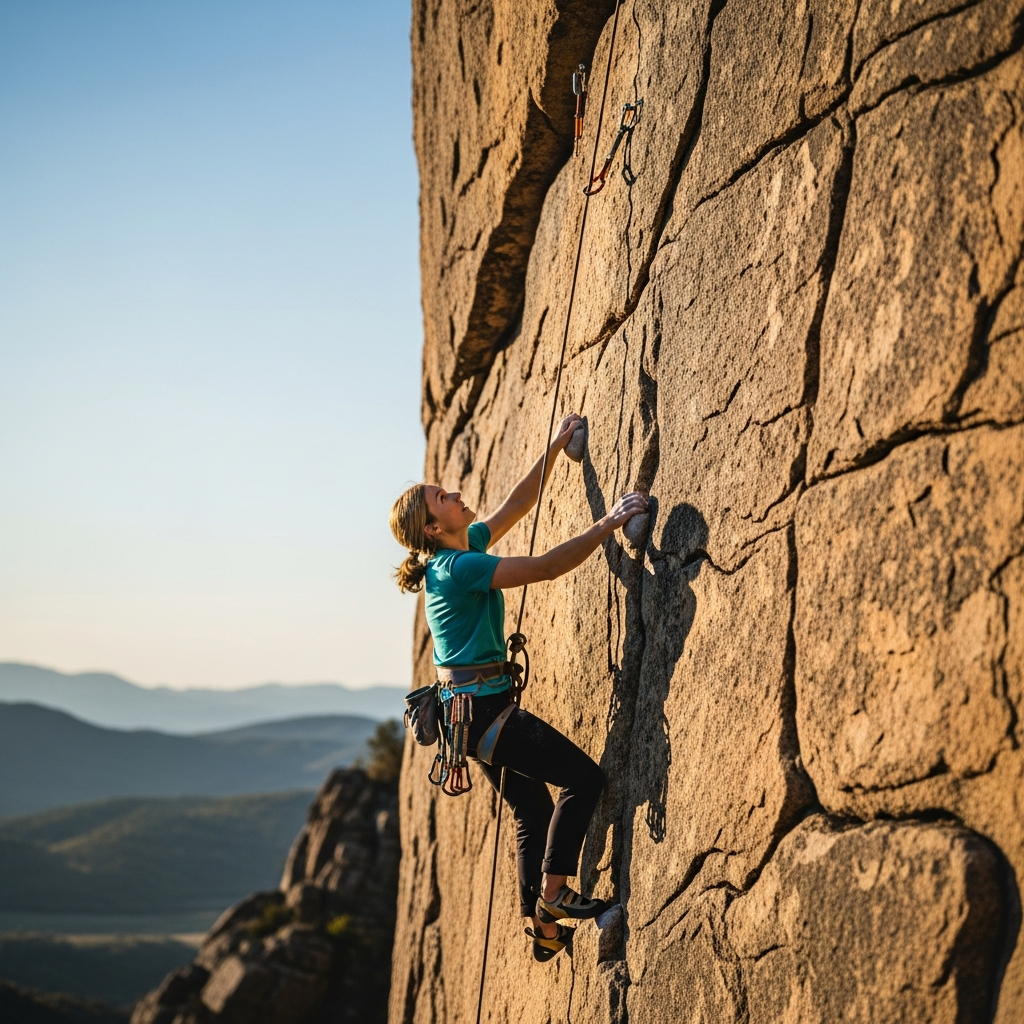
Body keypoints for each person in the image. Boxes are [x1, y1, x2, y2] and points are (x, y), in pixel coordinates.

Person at [389, 412, 648, 962]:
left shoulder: (457, 552)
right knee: (583, 779)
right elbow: (547, 567)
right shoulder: (457, 568)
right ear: (434, 528)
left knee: (531, 812)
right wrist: (610, 524)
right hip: (484, 715)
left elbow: (517, 505)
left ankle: (545, 929)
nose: (455, 492)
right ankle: (554, 898)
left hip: (471, 716)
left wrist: (556, 449)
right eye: (442, 497)